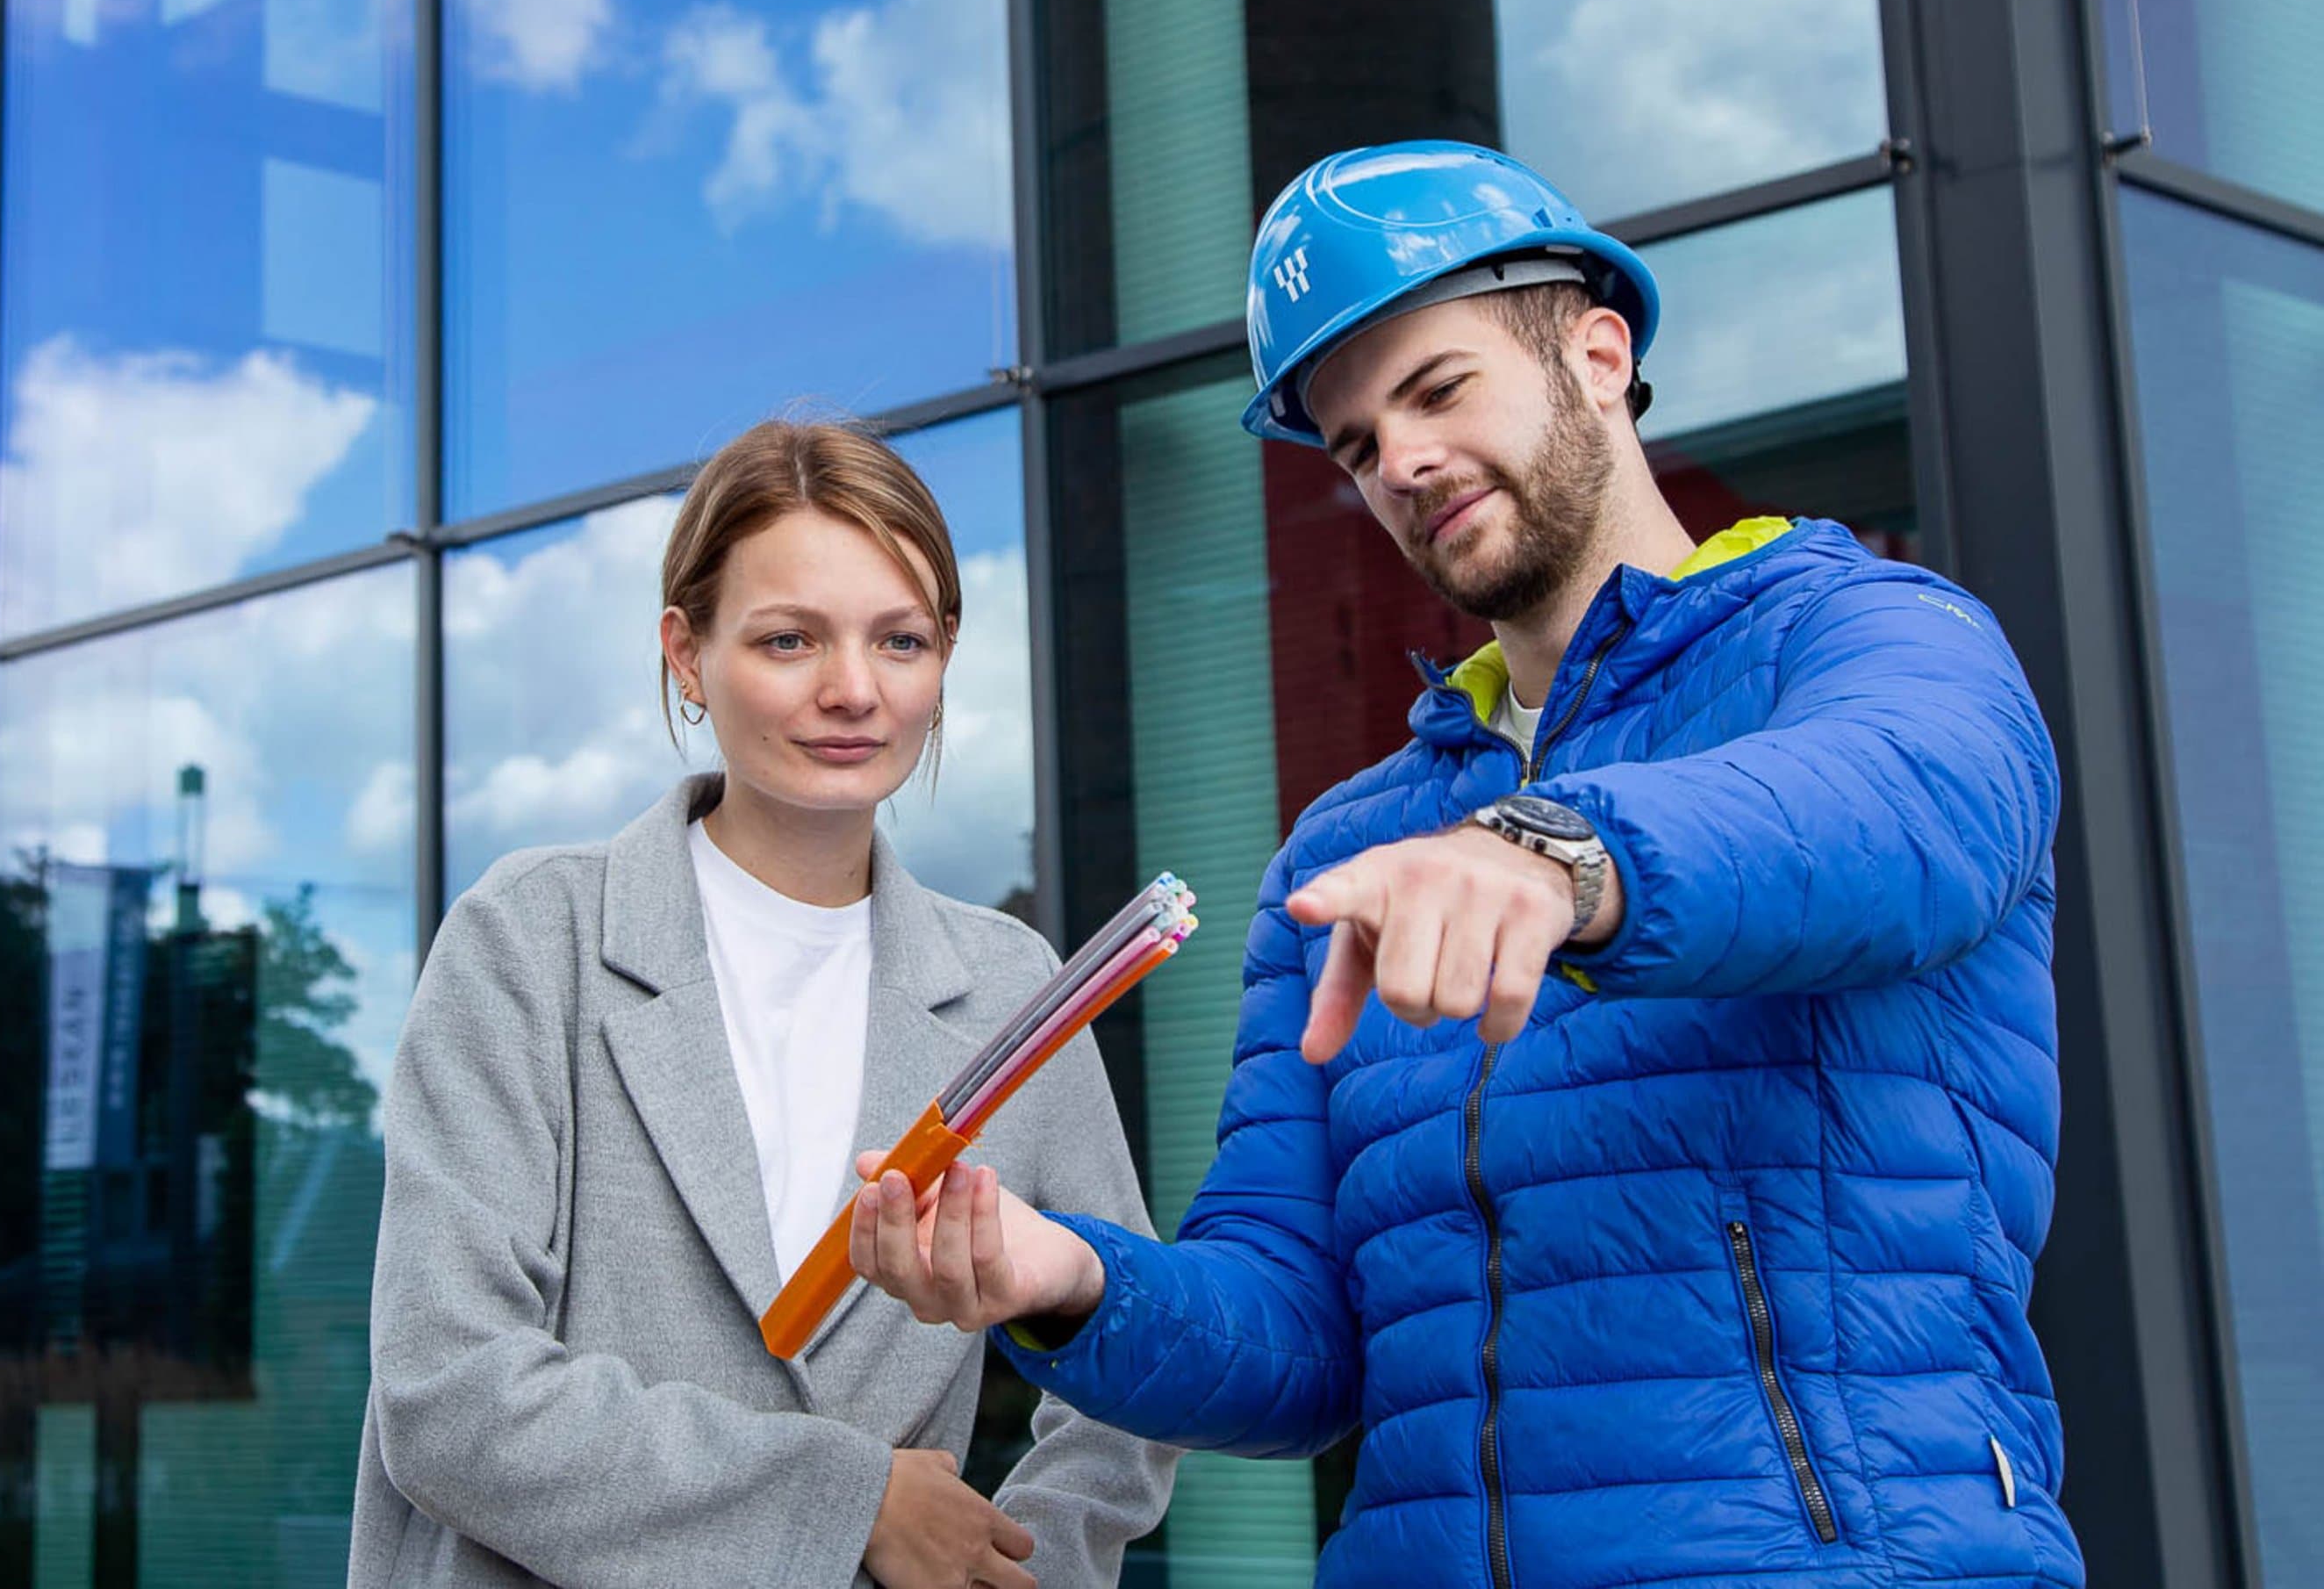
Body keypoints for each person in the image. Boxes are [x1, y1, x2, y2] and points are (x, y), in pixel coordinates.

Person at [847, 141, 2084, 1588]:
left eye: (1435, 389)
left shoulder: (1862, 638)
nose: (1401, 464)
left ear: (1600, 351)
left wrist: (1561, 856)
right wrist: (1066, 1283)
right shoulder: (1350, 850)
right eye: (1358, 442)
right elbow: (1301, 1336)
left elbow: (1906, 808)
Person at [349, 420, 1175, 1588]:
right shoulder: (532, 938)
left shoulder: (1007, 987)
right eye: (789, 639)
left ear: (944, 658)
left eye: (900, 640)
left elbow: (1132, 1359)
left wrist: (1024, 1559)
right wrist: (850, 1506)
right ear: (686, 654)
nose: (853, 690)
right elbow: (444, 1388)